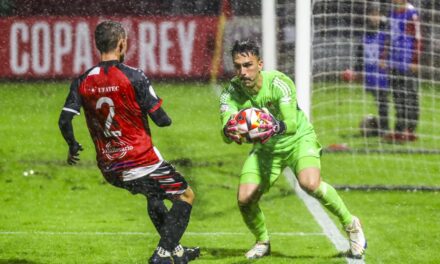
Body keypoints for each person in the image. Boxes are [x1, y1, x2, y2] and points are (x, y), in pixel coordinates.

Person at [58, 21, 199, 264]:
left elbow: (64, 120)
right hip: (141, 161)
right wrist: (160, 112)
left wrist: (72, 145)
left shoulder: (82, 80)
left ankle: (177, 252)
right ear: (122, 43)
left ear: (97, 44)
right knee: (185, 195)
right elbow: (162, 120)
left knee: (154, 197)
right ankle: (162, 254)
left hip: (111, 168)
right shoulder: (133, 76)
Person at [220, 39, 367, 259]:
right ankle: (262, 241)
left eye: (248, 65)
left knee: (310, 184)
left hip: (298, 141)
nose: (243, 72)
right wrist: (230, 132)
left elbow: (291, 124)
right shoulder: (230, 92)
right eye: (238, 66)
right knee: (244, 199)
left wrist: (271, 126)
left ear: (260, 64)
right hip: (266, 150)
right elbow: (225, 131)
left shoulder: (279, 83)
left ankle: (351, 224)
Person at [385, 0, 421, 142]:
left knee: (410, 95)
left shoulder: (411, 13)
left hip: (407, 61)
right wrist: (384, 57)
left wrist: (415, 60)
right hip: (394, 61)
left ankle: (410, 129)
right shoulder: (392, 13)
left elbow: (417, 38)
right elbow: (389, 37)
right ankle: (399, 129)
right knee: (397, 96)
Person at [354, 2, 390, 136]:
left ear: (382, 16)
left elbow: (389, 49)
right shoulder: (365, 34)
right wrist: (357, 70)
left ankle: (384, 129)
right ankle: (380, 128)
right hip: (370, 75)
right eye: (372, 15)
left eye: (377, 15)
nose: (374, 18)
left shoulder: (386, 32)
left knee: (383, 102)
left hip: (383, 75)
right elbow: (359, 53)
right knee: (380, 101)